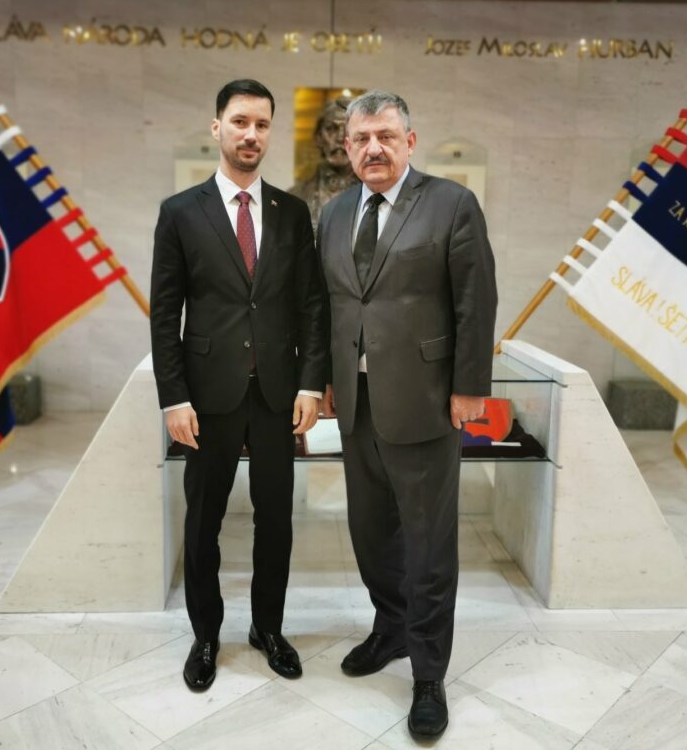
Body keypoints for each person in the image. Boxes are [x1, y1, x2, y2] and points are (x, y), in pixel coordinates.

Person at [317, 90, 496, 739]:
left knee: (427, 544)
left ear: (410, 142)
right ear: (347, 148)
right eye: (362, 138)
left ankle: (427, 674)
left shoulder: (451, 204)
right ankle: (390, 627)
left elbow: (476, 298)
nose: (374, 148)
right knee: (369, 532)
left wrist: (470, 387)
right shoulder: (334, 213)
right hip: (356, 403)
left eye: (386, 137)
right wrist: (324, 379)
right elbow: (328, 305)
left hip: (425, 401)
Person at [150, 78, 326, 692]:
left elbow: (311, 305)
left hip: (277, 396)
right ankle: (206, 635)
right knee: (204, 520)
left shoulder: (291, 213)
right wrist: (174, 397)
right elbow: (164, 313)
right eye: (240, 122)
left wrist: (311, 384)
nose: (252, 134)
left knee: (276, 520)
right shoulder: (180, 212)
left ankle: (268, 629)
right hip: (206, 398)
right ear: (217, 127)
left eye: (262, 124)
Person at [288, 97, 359, 230]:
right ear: (318, 137)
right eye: (331, 129)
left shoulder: (378, 195)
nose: (340, 138)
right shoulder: (294, 197)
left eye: (348, 130)